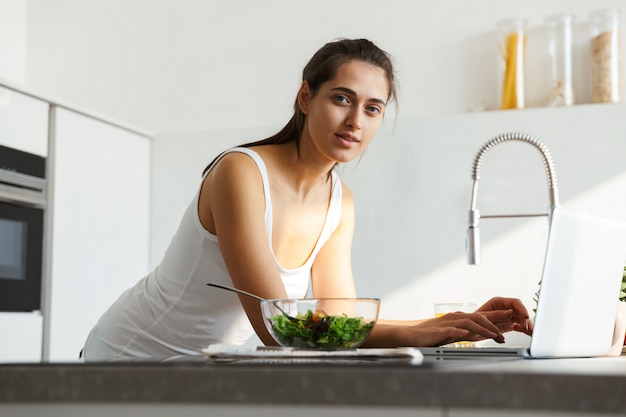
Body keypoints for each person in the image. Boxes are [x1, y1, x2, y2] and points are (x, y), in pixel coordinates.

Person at [82, 38, 532, 361]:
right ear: (305, 97)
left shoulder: (340, 203)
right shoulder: (240, 173)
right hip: (130, 358)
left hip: (205, 367)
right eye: (342, 98)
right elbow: (280, 331)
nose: (356, 120)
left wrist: (452, 324)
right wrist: (426, 333)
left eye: (373, 108)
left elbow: (338, 326)